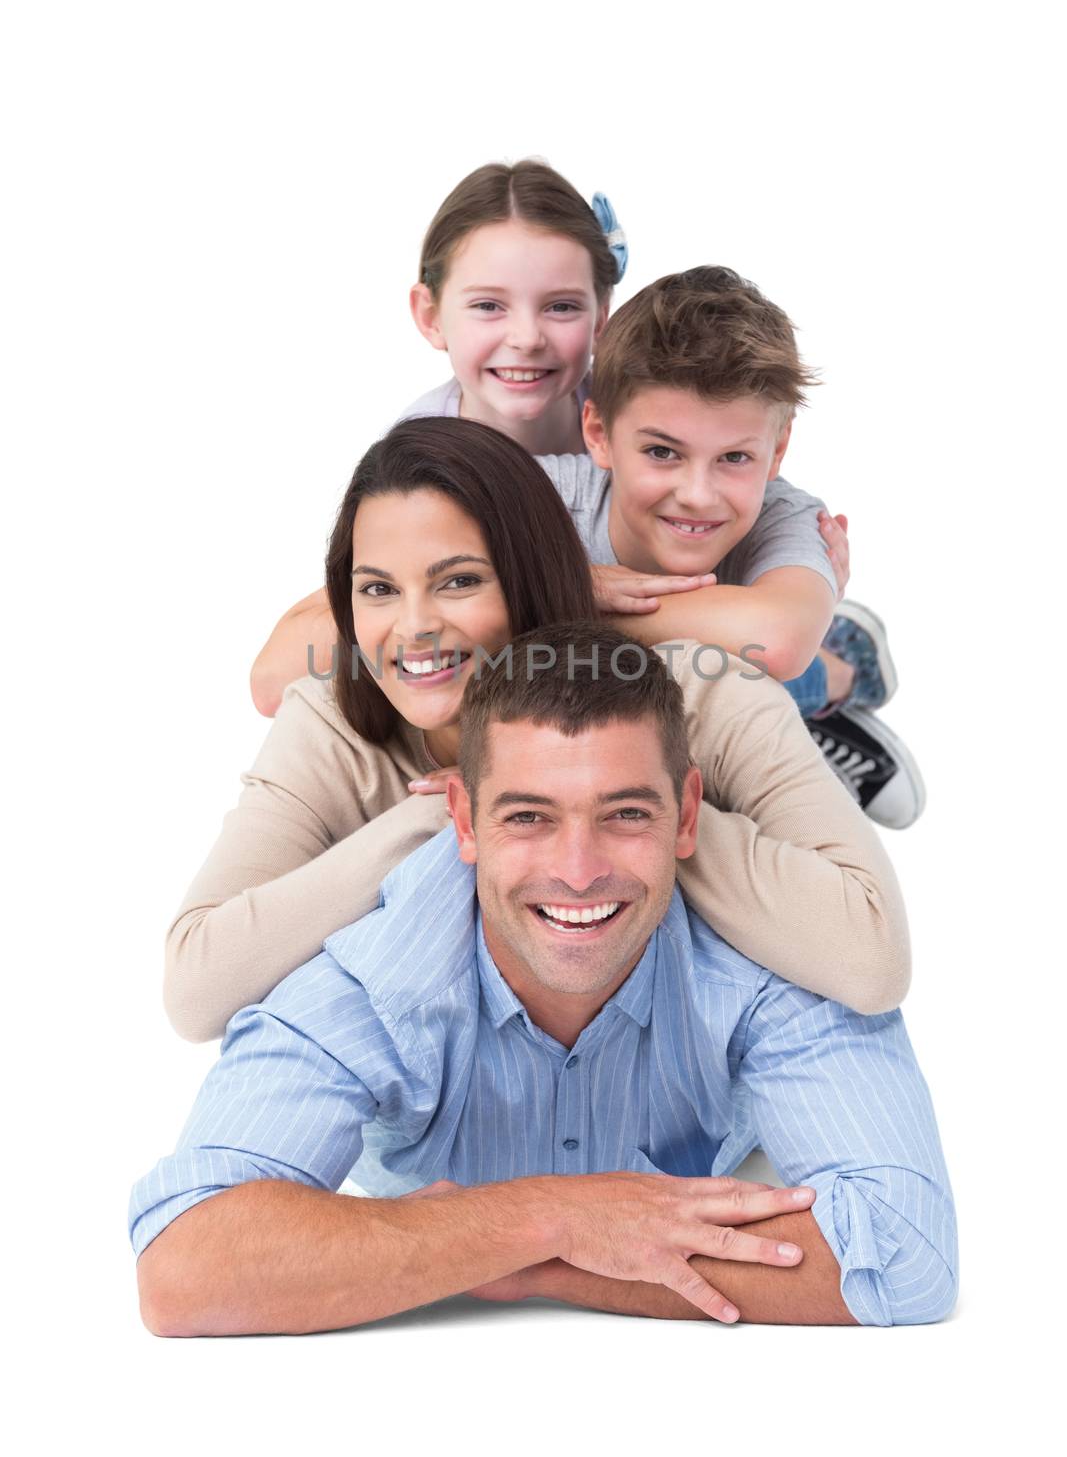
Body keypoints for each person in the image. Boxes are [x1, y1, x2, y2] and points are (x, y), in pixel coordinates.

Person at [132, 625, 956, 1336]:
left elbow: (904, 1253)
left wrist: (520, 1262)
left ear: (684, 815)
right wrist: (553, 1216)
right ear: (460, 820)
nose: (577, 869)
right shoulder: (366, 979)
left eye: (626, 813)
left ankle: (829, 689)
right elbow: (187, 1262)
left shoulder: (773, 959)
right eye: (526, 816)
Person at [163, 420, 908, 1045]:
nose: (416, 627)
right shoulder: (331, 721)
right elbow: (196, 991)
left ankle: (839, 680)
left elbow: (871, 959)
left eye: (459, 581)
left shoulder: (702, 696)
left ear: (530, 580)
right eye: (378, 590)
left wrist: (631, 811)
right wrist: (438, 819)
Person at [250, 172, 915, 824]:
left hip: (697, 674)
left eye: (560, 306)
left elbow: (773, 635)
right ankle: (833, 674)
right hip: (592, 690)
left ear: (600, 320)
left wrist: (535, 597)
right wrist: (563, 588)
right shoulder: (439, 456)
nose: (525, 337)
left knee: (715, 675)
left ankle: (836, 676)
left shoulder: (678, 415)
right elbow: (313, 646)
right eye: (489, 305)